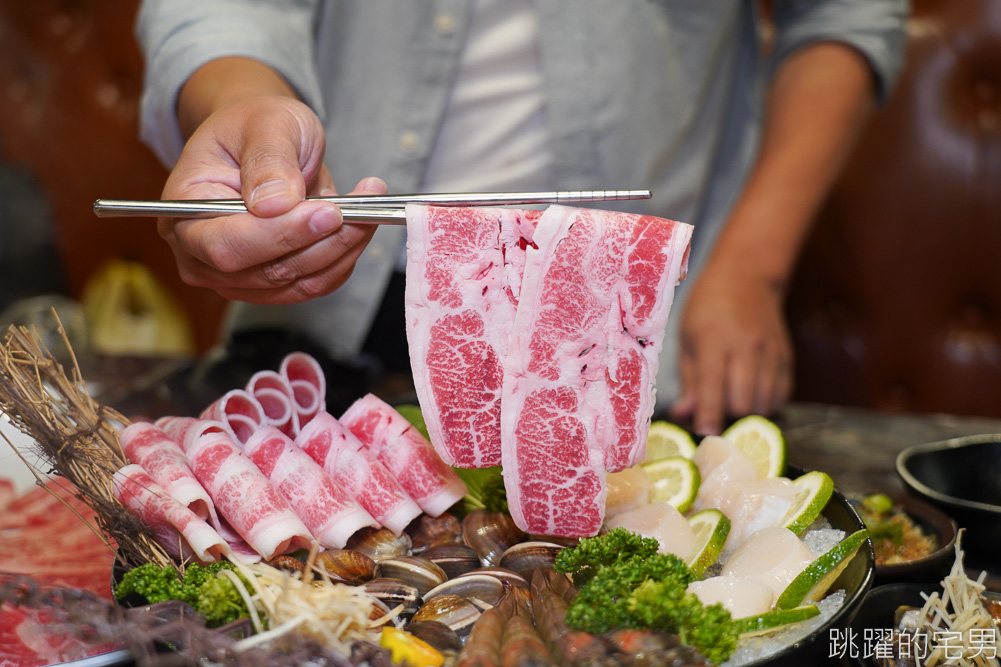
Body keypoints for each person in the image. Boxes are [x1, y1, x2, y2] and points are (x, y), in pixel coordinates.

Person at [136, 0, 907, 435]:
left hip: (632, 329)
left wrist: (751, 264)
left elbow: (845, 13)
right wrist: (242, 111)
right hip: (331, 312)